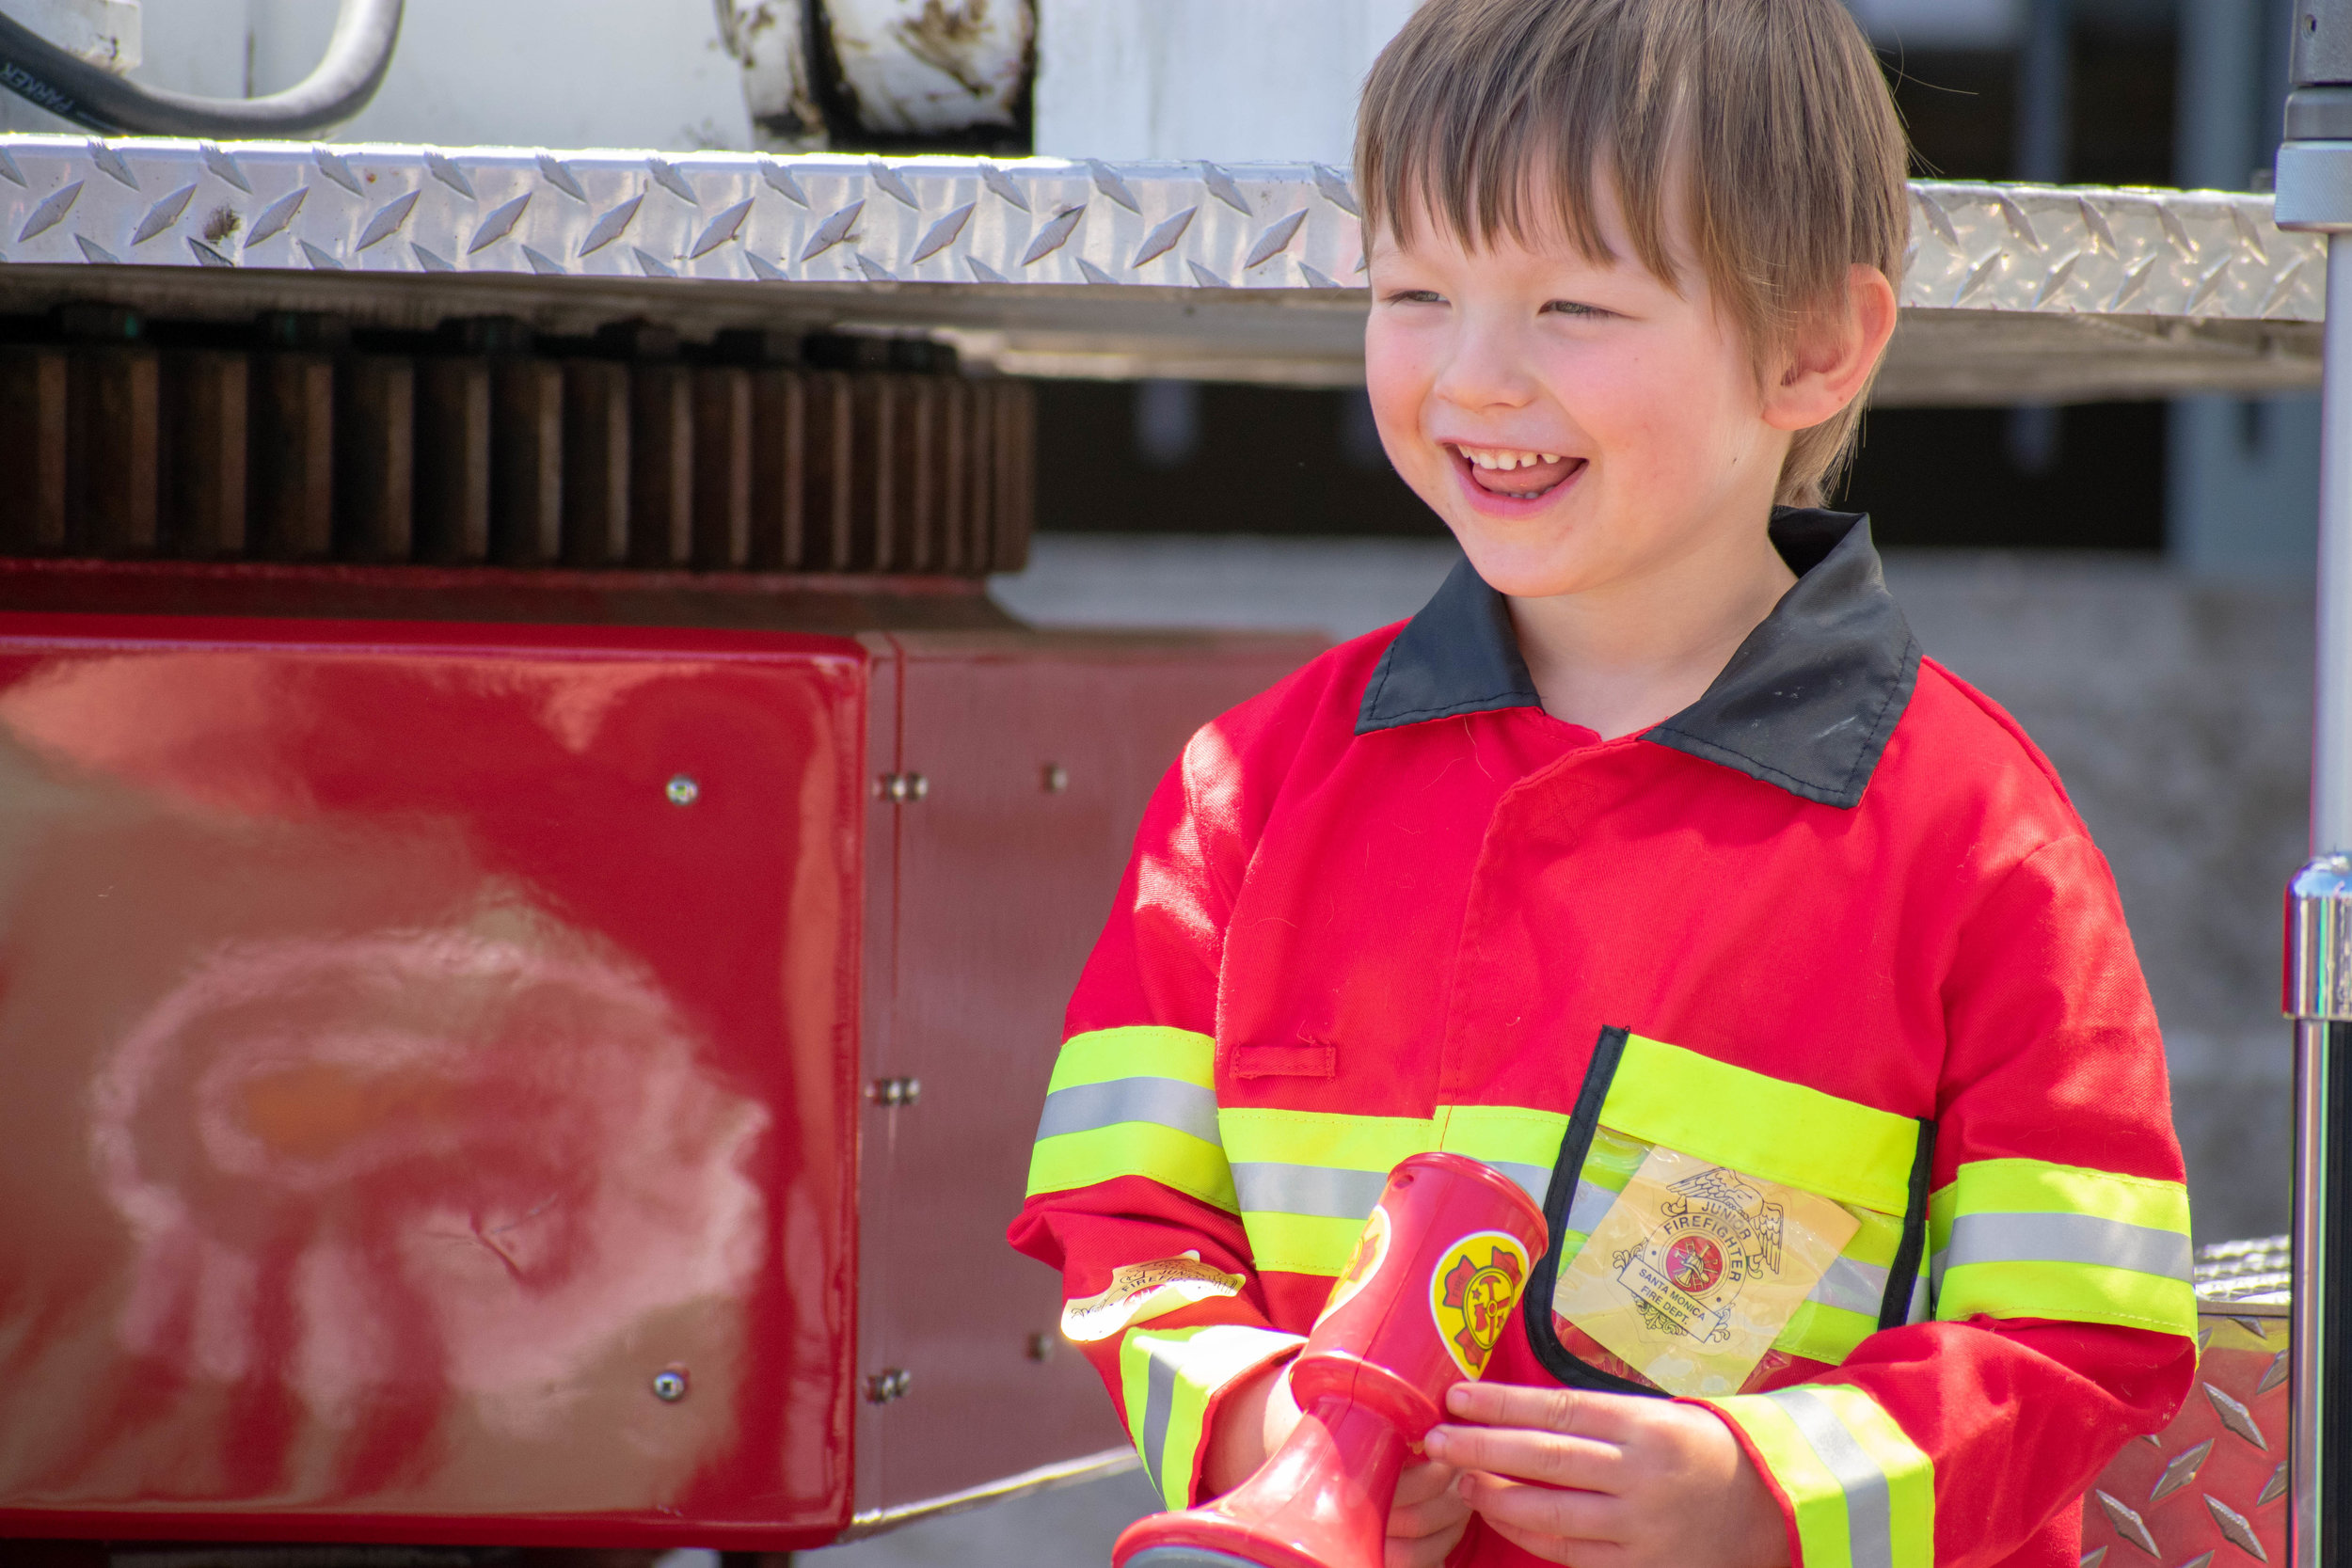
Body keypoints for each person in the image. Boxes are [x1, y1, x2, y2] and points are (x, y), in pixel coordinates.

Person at [1008, 0, 2198, 1562]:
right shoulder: (1244, 791)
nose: (1477, 378)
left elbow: (2085, 1339)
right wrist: (1253, 1417)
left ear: (1814, 350)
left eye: (1574, 304)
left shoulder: (1976, 840)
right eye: (1415, 289)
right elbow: (1120, 1222)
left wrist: (1764, 1494)